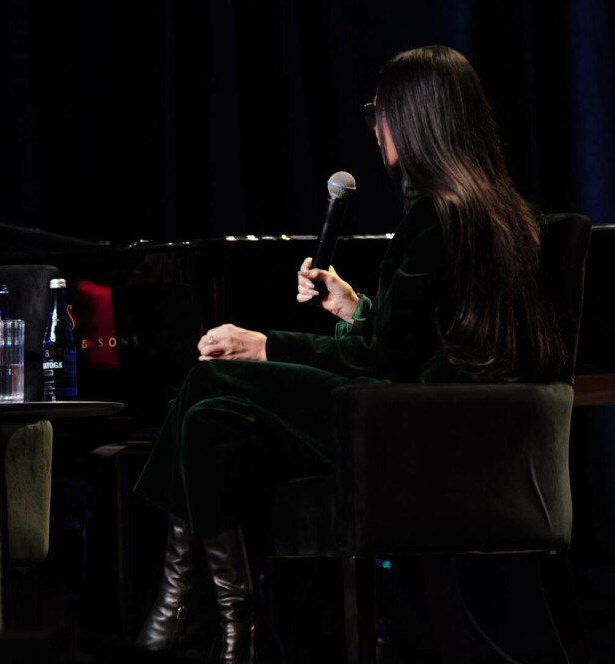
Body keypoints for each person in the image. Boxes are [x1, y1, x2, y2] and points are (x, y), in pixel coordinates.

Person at [133, 45, 567, 663]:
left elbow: (382, 364)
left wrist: (265, 345)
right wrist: (354, 308)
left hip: (407, 427)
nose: (375, 127)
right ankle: (234, 630)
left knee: (210, 382)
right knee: (210, 417)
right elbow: (422, 340)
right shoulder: (484, 209)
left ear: (414, 117)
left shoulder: (434, 217)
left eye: (380, 112)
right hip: (437, 414)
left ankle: (183, 604)